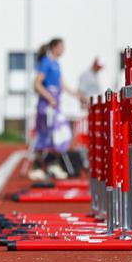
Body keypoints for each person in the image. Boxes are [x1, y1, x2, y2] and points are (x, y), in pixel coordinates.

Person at [30, 38, 83, 181]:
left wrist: (78, 95)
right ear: (54, 47)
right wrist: (49, 98)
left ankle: (53, 163)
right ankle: (37, 165)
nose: (63, 50)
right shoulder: (46, 63)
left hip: (55, 106)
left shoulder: (57, 64)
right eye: (61, 47)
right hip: (47, 107)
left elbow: (62, 85)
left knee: (60, 134)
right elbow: (37, 84)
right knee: (46, 134)